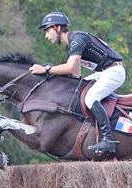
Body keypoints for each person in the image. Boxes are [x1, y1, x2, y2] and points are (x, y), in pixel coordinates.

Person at [29, 12, 125, 154]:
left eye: (47, 30)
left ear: (56, 28)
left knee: (90, 98)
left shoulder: (78, 40)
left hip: (114, 72)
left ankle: (108, 139)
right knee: (77, 93)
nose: (46, 36)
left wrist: (45, 69)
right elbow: (76, 75)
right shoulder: (71, 46)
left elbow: (69, 68)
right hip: (103, 73)